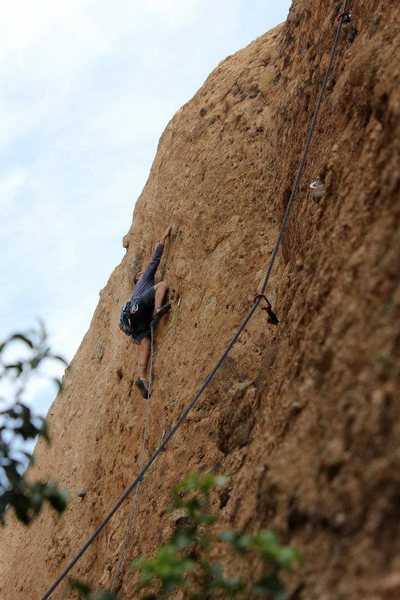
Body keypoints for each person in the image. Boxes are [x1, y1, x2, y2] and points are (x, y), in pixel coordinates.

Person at [119, 226, 172, 398]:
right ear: (139, 277)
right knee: (162, 285)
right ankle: (157, 310)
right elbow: (154, 261)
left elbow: (122, 325)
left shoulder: (133, 293)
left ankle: (141, 377)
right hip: (140, 307)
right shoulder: (145, 279)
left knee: (145, 346)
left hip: (134, 322)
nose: (145, 273)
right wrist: (163, 238)